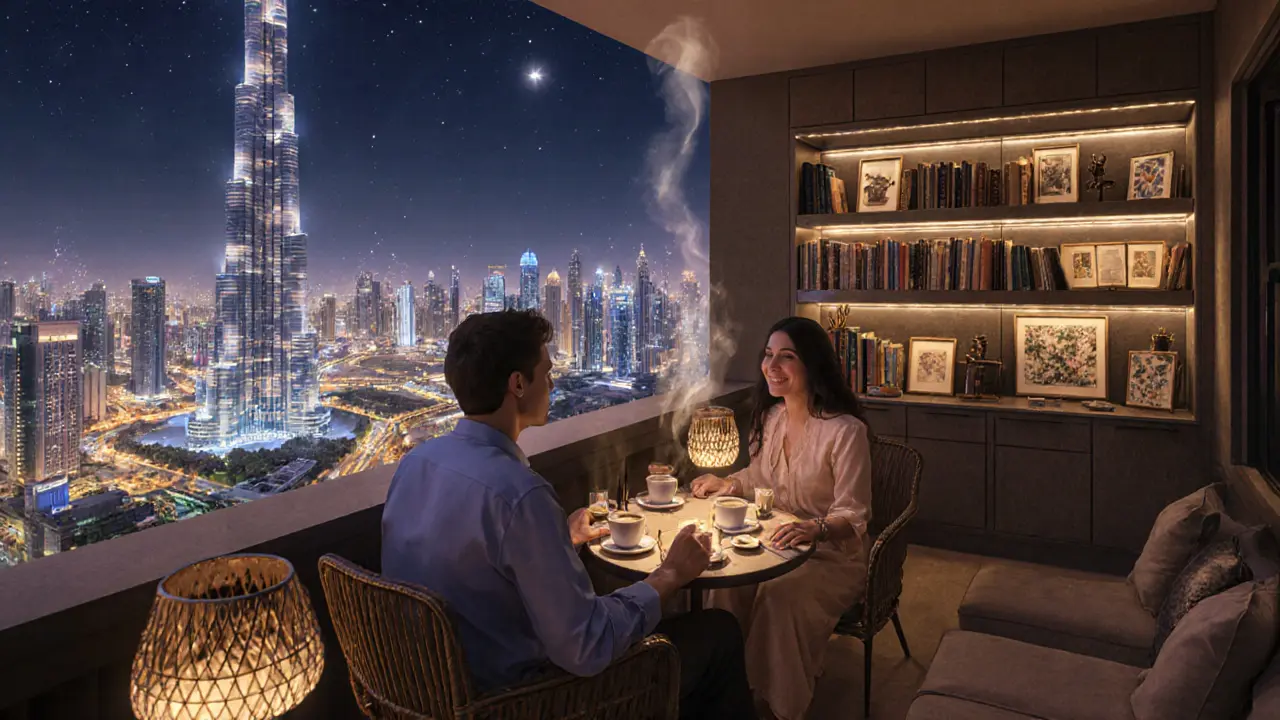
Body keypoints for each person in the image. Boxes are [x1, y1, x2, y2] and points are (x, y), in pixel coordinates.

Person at [382, 309, 757, 719]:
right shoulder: (519, 495)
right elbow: (586, 646)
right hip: (521, 700)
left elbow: (472, 562)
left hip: (432, 690)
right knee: (717, 632)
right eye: (547, 371)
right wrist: (669, 575)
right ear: (518, 384)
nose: (553, 382)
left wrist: (556, 537)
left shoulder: (417, 463)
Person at [692, 315, 873, 720]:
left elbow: (854, 513)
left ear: (812, 365)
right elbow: (758, 479)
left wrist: (815, 527)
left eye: (786, 357)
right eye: (768, 355)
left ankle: (779, 705)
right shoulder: (772, 419)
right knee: (724, 585)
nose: (772, 366)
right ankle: (726, 688)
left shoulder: (845, 432)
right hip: (775, 542)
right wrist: (726, 483)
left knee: (779, 596)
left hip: (830, 556)